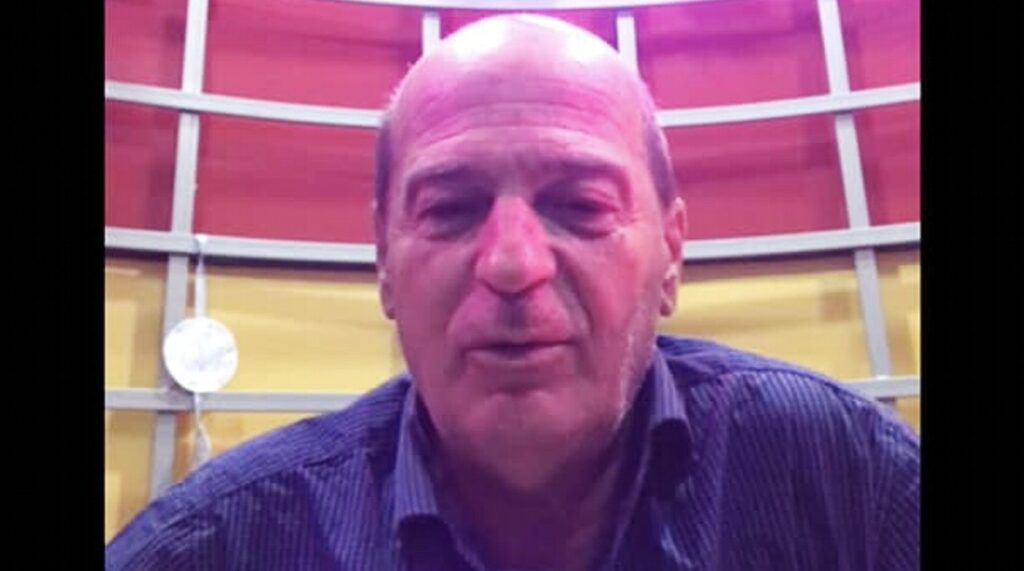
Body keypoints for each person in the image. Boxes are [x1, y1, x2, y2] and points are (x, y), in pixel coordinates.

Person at [106, 14, 919, 571]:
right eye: (451, 208)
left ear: (671, 252)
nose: (512, 263)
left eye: (581, 205)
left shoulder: (850, 481)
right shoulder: (216, 544)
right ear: (384, 261)